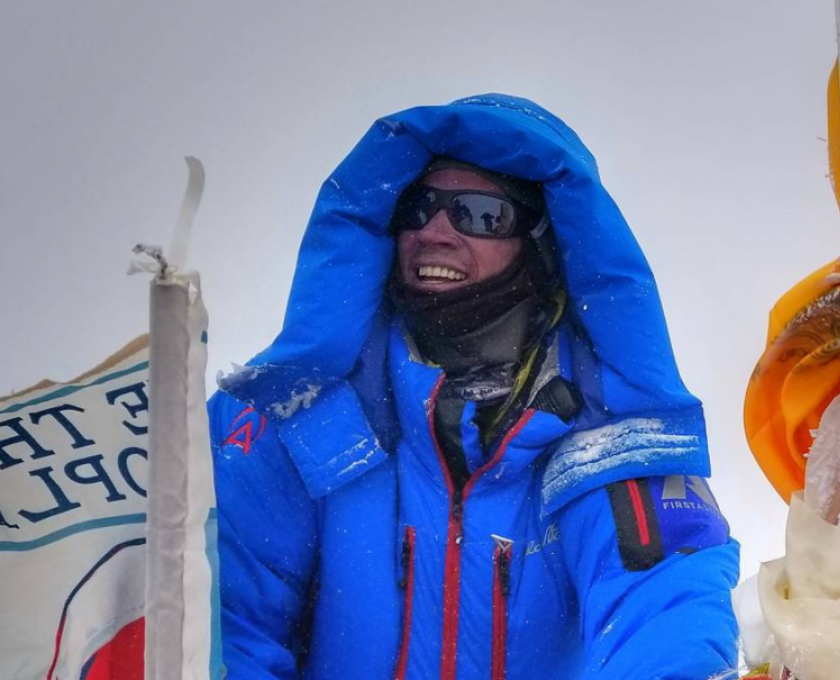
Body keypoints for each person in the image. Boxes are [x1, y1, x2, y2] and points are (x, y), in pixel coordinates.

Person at [208, 94, 739, 680]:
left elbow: (663, 609)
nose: (433, 231)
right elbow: (221, 624)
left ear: (542, 246)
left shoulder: (608, 434)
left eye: (479, 213)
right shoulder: (297, 416)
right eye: (416, 208)